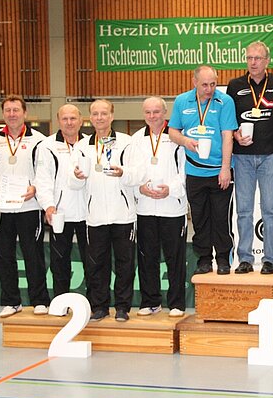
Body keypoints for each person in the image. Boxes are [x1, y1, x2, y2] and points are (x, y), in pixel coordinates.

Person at [70, 99, 142, 322]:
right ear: (90, 118)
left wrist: (124, 173)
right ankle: (99, 306)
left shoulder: (127, 143)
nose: (99, 117)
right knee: (96, 264)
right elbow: (73, 183)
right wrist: (77, 177)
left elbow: (138, 174)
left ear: (112, 116)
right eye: (95, 114)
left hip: (123, 214)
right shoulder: (82, 146)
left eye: (104, 113)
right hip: (95, 216)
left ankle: (122, 307)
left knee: (125, 264)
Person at [0, 95, 50, 318]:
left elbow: (43, 172)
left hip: (29, 206)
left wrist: (35, 188)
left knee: (33, 255)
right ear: (3, 114)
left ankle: (40, 300)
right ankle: (11, 301)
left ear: (25, 113)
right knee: (4, 256)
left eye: (16, 110)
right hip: (1, 208)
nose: (12, 114)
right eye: (8, 110)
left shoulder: (39, 140)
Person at [168, 65, 236, 275]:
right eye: (205, 85)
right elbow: (172, 131)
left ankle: (223, 259)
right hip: (194, 172)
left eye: (213, 84)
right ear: (194, 82)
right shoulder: (182, 101)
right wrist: (185, 141)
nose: (209, 89)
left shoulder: (225, 101)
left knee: (221, 218)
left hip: (219, 171)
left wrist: (225, 168)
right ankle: (204, 259)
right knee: (199, 218)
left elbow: (227, 136)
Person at [227, 42, 273, 275]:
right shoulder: (235, 85)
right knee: (244, 211)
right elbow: (228, 121)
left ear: (267, 61)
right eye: (249, 58)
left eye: (258, 58)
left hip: (270, 155)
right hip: (242, 158)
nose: (253, 62)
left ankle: (269, 259)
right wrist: (235, 135)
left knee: (270, 210)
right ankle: (245, 259)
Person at [132, 97, 187, 318]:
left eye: (156, 111)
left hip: (172, 207)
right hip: (145, 208)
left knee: (175, 258)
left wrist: (171, 189)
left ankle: (177, 303)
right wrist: (140, 188)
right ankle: (150, 301)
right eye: (148, 112)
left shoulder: (177, 136)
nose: (152, 116)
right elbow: (132, 171)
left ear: (165, 112)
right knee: (147, 258)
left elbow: (186, 169)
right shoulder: (136, 139)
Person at [34, 104, 89, 299]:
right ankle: (60, 303)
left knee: (92, 262)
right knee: (59, 262)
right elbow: (42, 179)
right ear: (58, 121)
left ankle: (96, 305)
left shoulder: (90, 144)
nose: (69, 122)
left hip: (88, 214)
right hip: (59, 213)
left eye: (73, 118)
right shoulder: (47, 146)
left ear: (81, 121)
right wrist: (48, 206)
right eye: (65, 119)